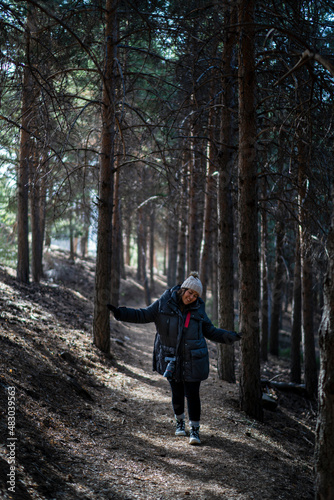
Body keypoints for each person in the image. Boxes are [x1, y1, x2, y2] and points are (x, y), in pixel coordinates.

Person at [107, 271, 241, 446]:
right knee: (176, 392)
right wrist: (120, 313)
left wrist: (232, 336)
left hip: (193, 358)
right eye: (189, 292)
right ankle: (180, 423)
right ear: (183, 289)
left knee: (192, 394)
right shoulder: (164, 302)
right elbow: (143, 314)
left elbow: (210, 331)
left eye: (195, 295)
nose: (191, 297)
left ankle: (195, 429)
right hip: (171, 357)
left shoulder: (199, 308)